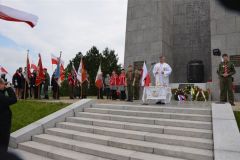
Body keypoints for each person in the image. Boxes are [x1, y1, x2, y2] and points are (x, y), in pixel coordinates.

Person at [0, 78, 17, 152]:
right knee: (3, 144)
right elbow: (13, 99)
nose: (5, 85)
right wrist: (9, 88)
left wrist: (4, 88)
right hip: (3, 125)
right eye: (4, 84)